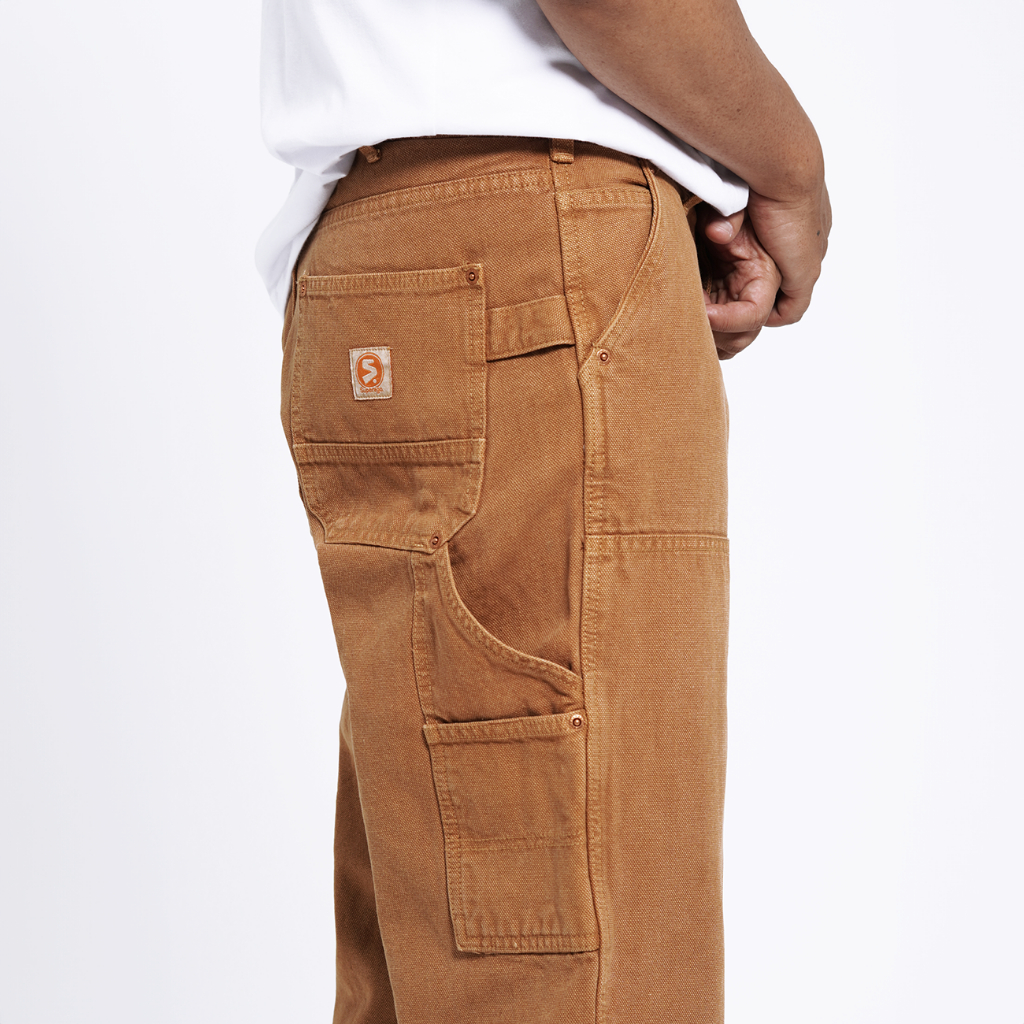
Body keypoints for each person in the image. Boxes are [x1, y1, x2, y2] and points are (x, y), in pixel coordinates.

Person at [257, 1, 830, 1021]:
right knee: (577, 954)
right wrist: (791, 170)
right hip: (529, 249)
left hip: (386, 239)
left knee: (454, 946)